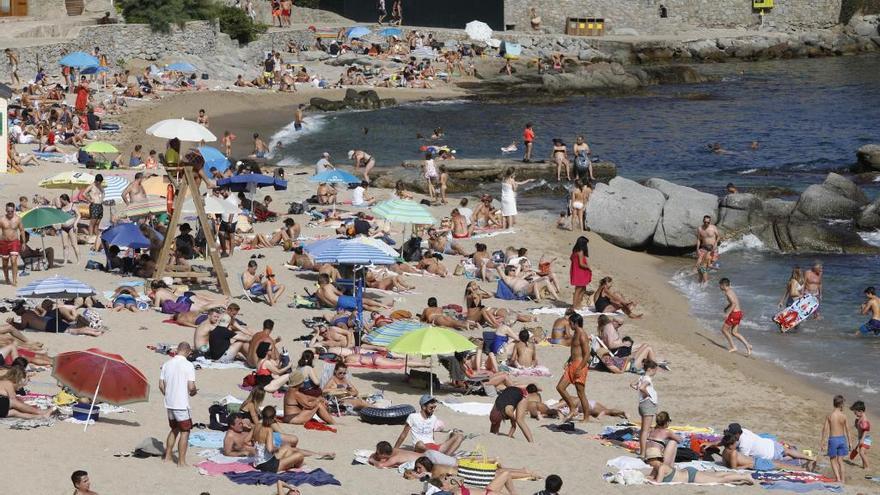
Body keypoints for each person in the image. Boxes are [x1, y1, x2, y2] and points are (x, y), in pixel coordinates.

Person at [159, 342, 197, 467]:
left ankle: (168, 456)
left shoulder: (166, 364)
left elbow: (161, 385)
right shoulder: (188, 365)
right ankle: (181, 461)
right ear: (187, 351)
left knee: (174, 429)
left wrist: (168, 394)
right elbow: (191, 387)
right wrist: (194, 391)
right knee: (185, 432)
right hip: (181, 404)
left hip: (169, 403)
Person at [394, 395, 464, 455]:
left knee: (459, 436)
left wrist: (434, 445)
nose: (433, 409)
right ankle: (438, 455)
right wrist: (394, 449)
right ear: (423, 407)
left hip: (433, 447)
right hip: (420, 447)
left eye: (434, 407)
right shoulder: (413, 417)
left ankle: (446, 456)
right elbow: (403, 435)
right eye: (431, 408)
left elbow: (432, 435)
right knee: (420, 444)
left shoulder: (434, 418)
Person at [556, 313, 591, 422]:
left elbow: (587, 354)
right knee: (560, 387)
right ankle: (572, 407)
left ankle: (586, 418)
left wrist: (580, 368)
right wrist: (568, 361)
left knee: (581, 393)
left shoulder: (582, 334)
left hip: (580, 365)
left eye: (571, 323)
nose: (569, 325)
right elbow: (575, 350)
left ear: (575, 323)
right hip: (572, 364)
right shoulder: (576, 333)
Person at [253, 406, 305, 472]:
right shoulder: (269, 430)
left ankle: (289, 463)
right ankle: (296, 466)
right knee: (300, 455)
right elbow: (270, 449)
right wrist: (276, 448)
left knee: (287, 448)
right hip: (268, 466)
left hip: (257, 463)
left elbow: (246, 439)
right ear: (273, 418)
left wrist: (258, 446)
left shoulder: (257, 425)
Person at [647, 454, 753, 485]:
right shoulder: (657, 467)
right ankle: (734, 474)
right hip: (688, 473)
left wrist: (649, 480)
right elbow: (651, 477)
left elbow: (657, 482)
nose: (648, 463)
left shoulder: (661, 468)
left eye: (649, 460)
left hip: (690, 476)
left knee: (719, 480)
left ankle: (744, 476)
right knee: (715, 476)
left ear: (654, 460)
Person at [631, 360, 659, 459]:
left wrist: (640, 390)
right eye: (655, 370)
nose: (656, 372)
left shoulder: (641, 377)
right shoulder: (647, 379)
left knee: (644, 429)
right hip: (648, 405)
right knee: (645, 430)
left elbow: (633, 385)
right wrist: (648, 395)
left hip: (642, 404)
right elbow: (642, 387)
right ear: (650, 369)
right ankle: (643, 453)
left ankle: (642, 451)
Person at [820, 395, 851, 483]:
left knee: (832, 459)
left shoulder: (830, 415)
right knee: (840, 460)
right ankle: (843, 479)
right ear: (841, 405)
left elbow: (825, 429)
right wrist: (850, 443)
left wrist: (822, 441)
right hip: (842, 439)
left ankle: (838, 478)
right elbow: (848, 430)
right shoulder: (844, 416)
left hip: (833, 439)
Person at [719, 278, 751, 355]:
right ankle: (748, 345)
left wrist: (727, 313)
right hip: (739, 313)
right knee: (734, 332)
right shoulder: (731, 291)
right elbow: (734, 301)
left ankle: (733, 347)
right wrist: (727, 307)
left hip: (734, 314)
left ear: (723, 285)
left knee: (724, 330)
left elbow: (733, 303)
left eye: (720, 285)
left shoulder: (727, 293)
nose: (719, 287)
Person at [0, 203, 24, 286]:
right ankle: (7, 278)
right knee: (5, 263)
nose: (10, 212)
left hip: (14, 242)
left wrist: (23, 242)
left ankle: (14, 280)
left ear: (14, 210)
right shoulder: (2, 219)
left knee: (13, 261)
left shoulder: (18, 219)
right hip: (3, 243)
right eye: (8, 211)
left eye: (11, 211)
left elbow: (21, 230)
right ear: (6, 210)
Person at [569, 236, 591, 309]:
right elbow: (581, 264)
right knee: (578, 290)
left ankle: (578, 303)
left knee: (583, 288)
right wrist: (588, 267)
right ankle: (575, 305)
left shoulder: (574, 251)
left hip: (576, 271)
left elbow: (571, 259)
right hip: (580, 272)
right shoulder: (580, 252)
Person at [83, 175, 104, 248]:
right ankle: (90, 238)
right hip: (94, 206)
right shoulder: (91, 186)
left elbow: (102, 194)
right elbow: (84, 194)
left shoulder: (100, 186)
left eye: (100, 182)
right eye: (99, 182)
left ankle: (96, 238)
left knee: (97, 223)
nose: (99, 183)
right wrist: (90, 200)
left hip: (100, 206)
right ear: (96, 181)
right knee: (92, 223)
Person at [850, 400, 871, 470]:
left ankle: (868, 467)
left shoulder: (864, 419)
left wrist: (862, 439)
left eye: (855, 412)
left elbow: (866, 430)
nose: (855, 414)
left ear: (861, 411)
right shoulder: (860, 418)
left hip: (865, 438)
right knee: (863, 453)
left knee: (861, 453)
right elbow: (860, 428)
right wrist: (856, 424)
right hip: (862, 438)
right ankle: (864, 466)